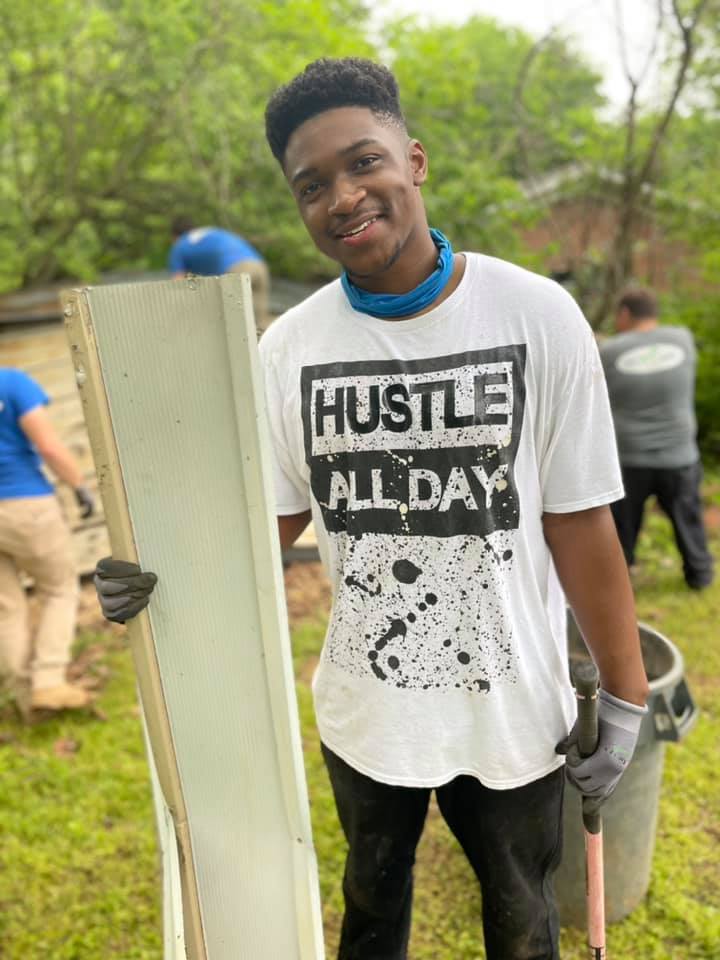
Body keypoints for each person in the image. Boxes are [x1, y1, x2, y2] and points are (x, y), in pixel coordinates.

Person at [95, 59, 649, 960]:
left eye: (363, 163)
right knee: (371, 913)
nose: (342, 197)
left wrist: (624, 696)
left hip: (515, 711)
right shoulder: (291, 349)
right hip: (367, 711)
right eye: (312, 186)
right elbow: (262, 528)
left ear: (416, 161)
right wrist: (152, 569)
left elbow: (579, 520)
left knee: (523, 923)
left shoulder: (537, 314)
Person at [600, 289, 714, 590]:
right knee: (688, 521)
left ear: (625, 313)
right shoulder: (682, 339)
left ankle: (620, 578)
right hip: (679, 456)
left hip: (629, 458)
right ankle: (700, 576)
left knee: (622, 528)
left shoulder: (610, 351)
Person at [0, 367, 95, 714]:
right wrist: (79, 486)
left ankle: (25, 698)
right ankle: (49, 682)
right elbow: (49, 447)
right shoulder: (11, 383)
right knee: (59, 589)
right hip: (26, 505)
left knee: (7, 607)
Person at [168, 217, 272, 334]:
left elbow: (177, 282)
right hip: (259, 265)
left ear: (175, 236)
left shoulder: (179, 245)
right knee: (260, 322)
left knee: (233, 321)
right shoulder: (209, 232)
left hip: (236, 269)